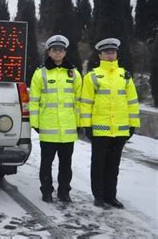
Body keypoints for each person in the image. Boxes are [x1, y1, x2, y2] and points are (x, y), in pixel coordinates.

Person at [80, 38, 140, 209]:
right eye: (106, 52)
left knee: (113, 166)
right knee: (99, 164)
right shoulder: (92, 76)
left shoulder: (125, 76)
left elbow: (132, 102)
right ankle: (98, 195)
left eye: (112, 52)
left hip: (120, 130)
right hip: (100, 130)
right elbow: (86, 103)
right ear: (99, 55)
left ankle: (110, 196)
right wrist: (87, 125)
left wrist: (132, 124)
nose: (110, 55)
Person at [29, 35, 82, 203]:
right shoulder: (40, 73)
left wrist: (79, 123)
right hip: (48, 128)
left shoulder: (74, 74)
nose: (58, 53)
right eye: (54, 50)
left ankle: (64, 192)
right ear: (49, 52)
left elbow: (79, 101)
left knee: (66, 166)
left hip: (67, 129)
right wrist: (35, 124)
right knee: (46, 164)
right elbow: (34, 101)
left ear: (65, 52)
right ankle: (46, 191)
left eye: (61, 50)